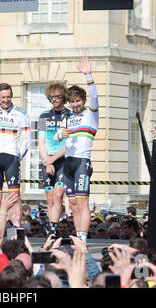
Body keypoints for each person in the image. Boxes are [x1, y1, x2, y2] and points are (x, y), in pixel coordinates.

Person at [54, 56, 98, 245]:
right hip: (68, 164)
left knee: (82, 203)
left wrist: (88, 75)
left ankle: (83, 237)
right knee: (72, 204)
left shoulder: (91, 114)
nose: (75, 105)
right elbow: (57, 137)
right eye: (72, 102)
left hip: (81, 162)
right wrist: (60, 135)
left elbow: (95, 97)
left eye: (78, 101)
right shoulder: (68, 117)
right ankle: (78, 235)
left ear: (83, 101)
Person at [0, 83, 31, 236]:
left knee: (14, 196)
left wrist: (18, 156)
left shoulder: (21, 114)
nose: (6, 100)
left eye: (9, 97)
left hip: (12, 157)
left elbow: (26, 140)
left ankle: (17, 229)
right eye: (3, 97)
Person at [38, 82, 70, 236]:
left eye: (57, 97)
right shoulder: (43, 116)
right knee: (50, 198)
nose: (54, 100)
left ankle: (54, 227)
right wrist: (46, 160)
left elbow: (70, 144)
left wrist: (52, 159)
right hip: (47, 159)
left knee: (58, 195)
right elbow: (40, 141)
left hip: (63, 160)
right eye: (51, 97)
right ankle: (51, 231)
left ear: (63, 97)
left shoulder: (70, 116)